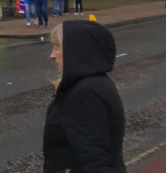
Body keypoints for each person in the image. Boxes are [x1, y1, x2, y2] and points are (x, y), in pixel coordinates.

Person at [43, 21, 126, 173]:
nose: (52, 55)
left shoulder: (85, 92)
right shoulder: (97, 82)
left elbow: (96, 162)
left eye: (57, 48)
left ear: (74, 51)